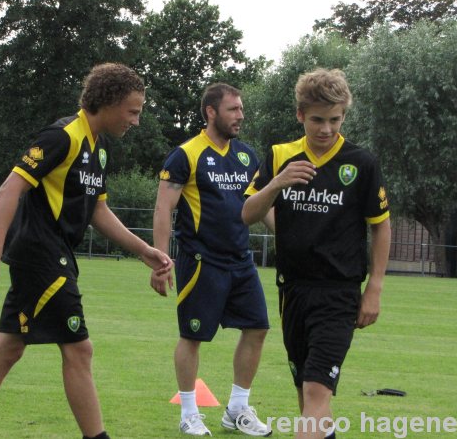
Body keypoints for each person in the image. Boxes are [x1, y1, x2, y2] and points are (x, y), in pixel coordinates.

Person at [0, 63, 173, 439]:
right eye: (133, 111)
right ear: (109, 102)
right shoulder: (62, 136)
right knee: (79, 350)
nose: (137, 120)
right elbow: (9, 190)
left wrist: (143, 250)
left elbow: (98, 210)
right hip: (41, 255)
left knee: (9, 348)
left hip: (56, 255)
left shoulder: (97, 150)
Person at [242, 68, 391, 439]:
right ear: (300, 115)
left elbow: (381, 225)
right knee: (304, 392)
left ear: (344, 115)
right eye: (317, 120)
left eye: (335, 120)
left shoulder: (361, 163)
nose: (326, 129)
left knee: (316, 390)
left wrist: (375, 287)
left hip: (338, 294)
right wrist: (277, 182)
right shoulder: (280, 155)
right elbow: (246, 215)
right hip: (292, 290)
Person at [151, 83, 274, 437]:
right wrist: (161, 259)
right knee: (192, 336)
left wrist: (296, 241)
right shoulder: (185, 155)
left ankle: (237, 408)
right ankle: (189, 413)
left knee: (258, 327)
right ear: (211, 111)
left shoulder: (248, 156)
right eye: (233, 109)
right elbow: (163, 209)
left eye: (241, 109)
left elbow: (261, 207)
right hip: (202, 262)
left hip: (242, 262)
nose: (240, 115)